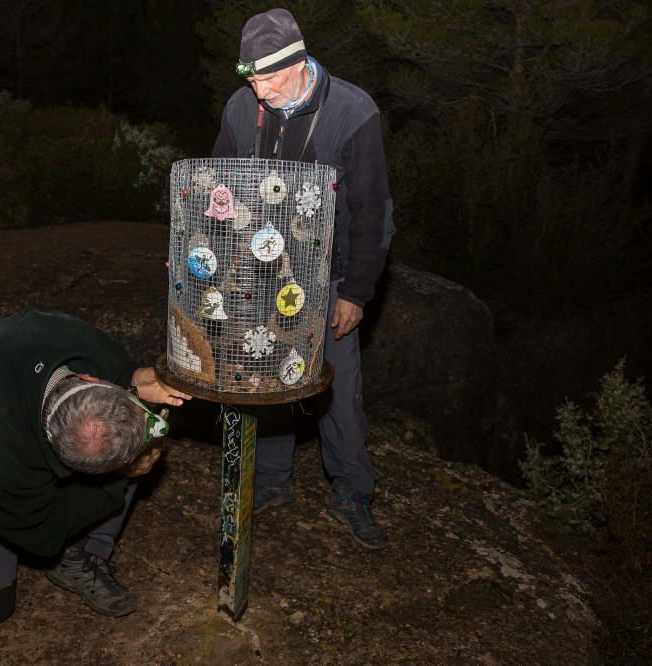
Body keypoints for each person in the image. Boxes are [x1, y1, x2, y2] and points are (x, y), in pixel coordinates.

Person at [212, 8, 396, 549]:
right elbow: (222, 184)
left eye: (269, 77)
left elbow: (371, 211)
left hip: (329, 277)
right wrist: (220, 259)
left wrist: (358, 293)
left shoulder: (353, 112)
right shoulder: (242, 107)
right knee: (269, 375)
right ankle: (272, 480)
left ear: (300, 61)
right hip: (260, 271)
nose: (259, 90)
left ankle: (352, 493)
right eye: (251, 78)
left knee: (338, 387)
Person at [0, 306, 190, 626]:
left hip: (5, 425)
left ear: (89, 377)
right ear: (60, 462)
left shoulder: (66, 335)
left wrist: (134, 378)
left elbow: (116, 387)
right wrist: (125, 472)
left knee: (126, 433)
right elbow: (40, 536)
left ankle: (84, 553)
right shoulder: (0, 455)